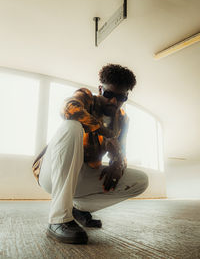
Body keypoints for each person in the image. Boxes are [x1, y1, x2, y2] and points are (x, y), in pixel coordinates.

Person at [32, 64, 149, 244]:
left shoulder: (123, 120)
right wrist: (104, 132)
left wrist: (117, 165)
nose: (113, 102)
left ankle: (76, 208)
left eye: (121, 97)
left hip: (83, 175)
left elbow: (121, 151)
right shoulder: (86, 97)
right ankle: (59, 219)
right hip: (51, 174)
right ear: (101, 89)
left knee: (140, 181)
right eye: (109, 94)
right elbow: (68, 108)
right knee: (71, 125)